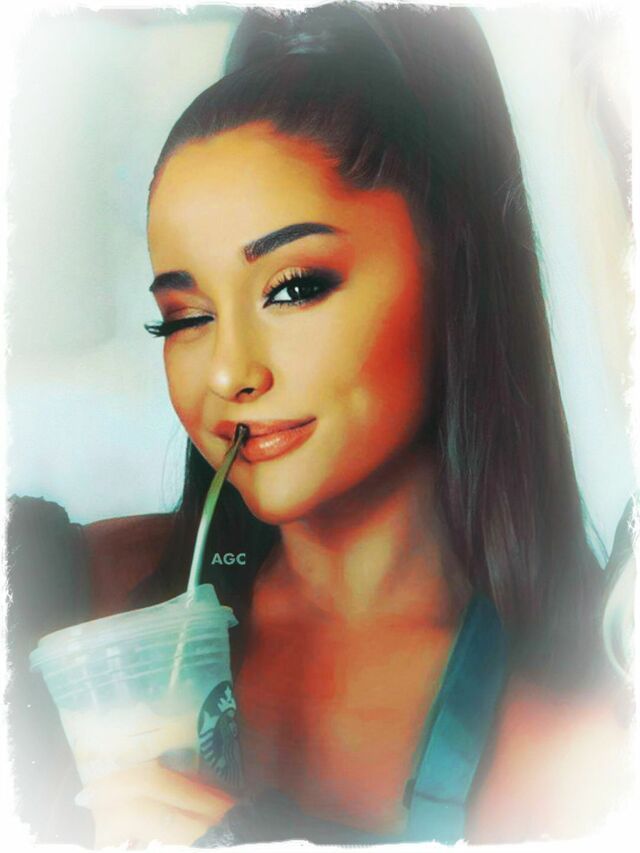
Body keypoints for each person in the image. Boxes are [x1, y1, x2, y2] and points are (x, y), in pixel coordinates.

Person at [6, 2, 632, 848]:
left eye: (294, 287)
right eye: (185, 318)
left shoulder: (572, 733)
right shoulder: (66, 592)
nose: (228, 373)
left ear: (453, 273)